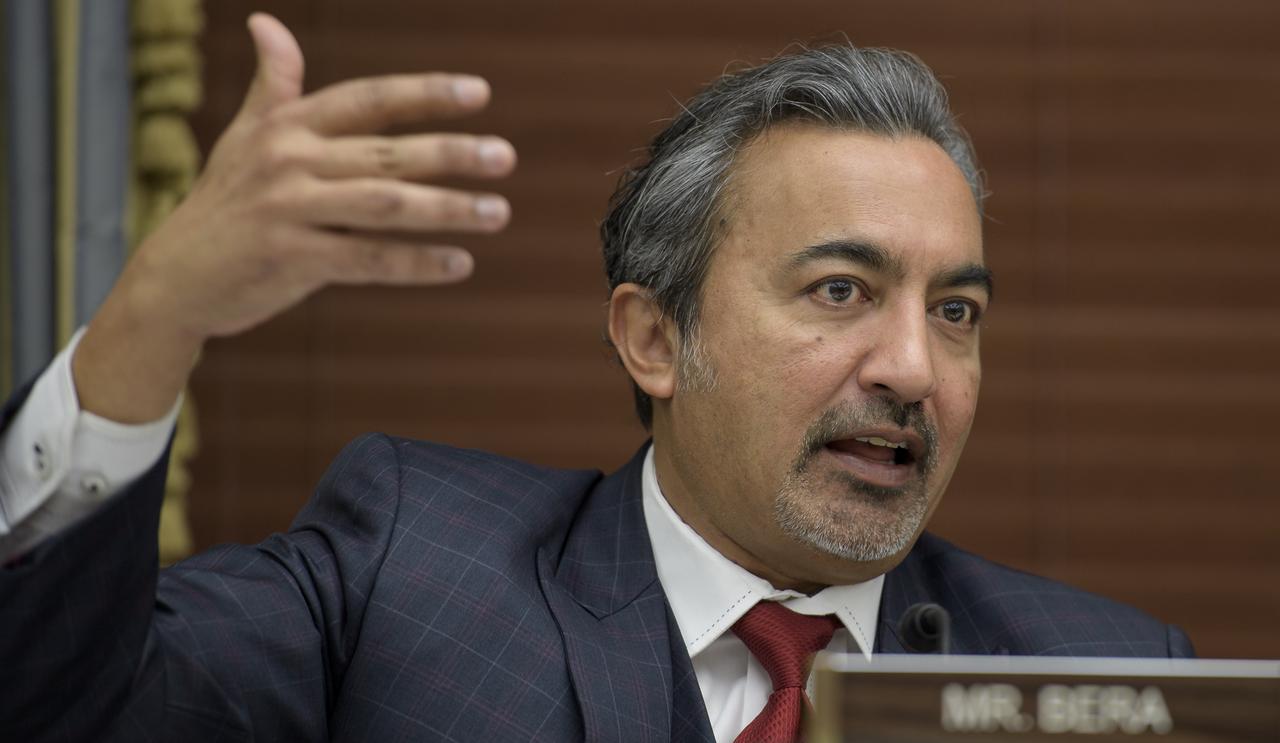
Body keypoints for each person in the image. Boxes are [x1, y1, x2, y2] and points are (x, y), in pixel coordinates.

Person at [0, 13, 1192, 743]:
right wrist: (154, 320)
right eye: (839, 290)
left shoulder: (1109, 678)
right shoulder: (407, 571)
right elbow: (54, 708)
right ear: (653, 338)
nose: (911, 366)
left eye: (954, 310)